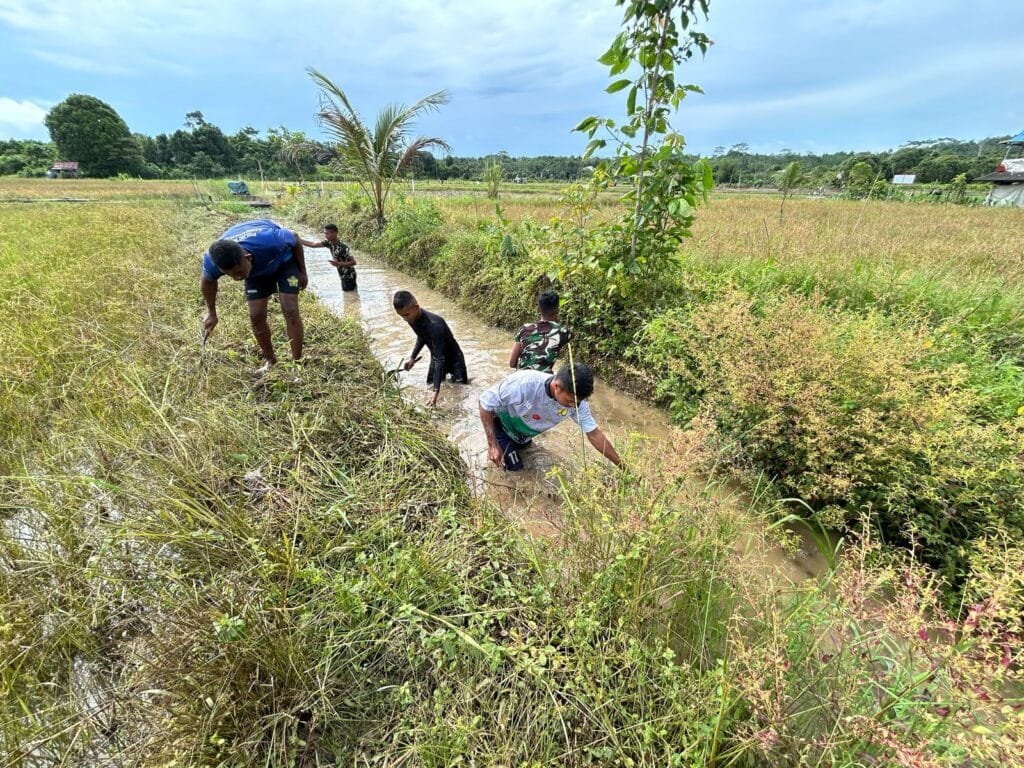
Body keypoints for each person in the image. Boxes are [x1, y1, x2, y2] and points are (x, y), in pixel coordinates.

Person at [200, 219, 307, 371]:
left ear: (248, 257)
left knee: (290, 309)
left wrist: (302, 271)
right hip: (255, 273)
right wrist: (211, 313)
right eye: (230, 275)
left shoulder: (272, 240)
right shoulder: (212, 261)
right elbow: (208, 282)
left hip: (284, 263)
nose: (237, 278)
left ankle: (297, 363)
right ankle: (270, 361)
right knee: (256, 316)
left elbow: (295, 237)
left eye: (238, 272)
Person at [479, 363, 620, 471]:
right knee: (516, 471)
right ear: (556, 386)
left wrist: (622, 467)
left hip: (523, 435)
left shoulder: (578, 404)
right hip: (501, 426)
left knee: (529, 455)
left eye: (577, 402)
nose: (574, 406)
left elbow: (594, 434)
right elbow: (485, 402)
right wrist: (492, 445)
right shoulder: (523, 384)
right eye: (570, 401)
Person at [393, 291, 468, 407]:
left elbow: (439, 359)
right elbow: (421, 336)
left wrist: (436, 391)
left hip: (454, 360)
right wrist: (412, 358)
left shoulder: (435, 325)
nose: (404, 318)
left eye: (406, 315)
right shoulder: (411, 319)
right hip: (436, 357)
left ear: (416, 307)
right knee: (429, 385)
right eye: (401, 315)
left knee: (460, 393)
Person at [509, 290, 572, 372]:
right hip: (544, 377)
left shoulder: (524, 329)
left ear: (538, 309)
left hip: (520, 376)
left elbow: (512, 363)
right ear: (557, 310)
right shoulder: (564, 332)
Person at [299, 223, 357, 291]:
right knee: (351, 293)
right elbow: (313, 245)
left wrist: (338, 264)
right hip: (342, 274)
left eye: (327, 234)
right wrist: (298, 240)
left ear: (335, 233)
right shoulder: (329, 243)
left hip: (349, 275)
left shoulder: (343, 247)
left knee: (349, 293)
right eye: (325, 233)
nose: (325, 235)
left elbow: (354, 262)